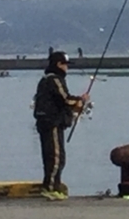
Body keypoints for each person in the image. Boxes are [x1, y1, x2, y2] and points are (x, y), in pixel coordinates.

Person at [33, 50, 89, 201]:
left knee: (50, 156)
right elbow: (65, 99)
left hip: (45, 122)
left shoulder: (45, 80)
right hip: (52, 123)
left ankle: (53, 186)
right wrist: (81, 100)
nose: (67, 69)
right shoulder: (55, 80)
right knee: (56, 157)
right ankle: (50, 188)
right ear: (59, 64)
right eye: (65, 65)